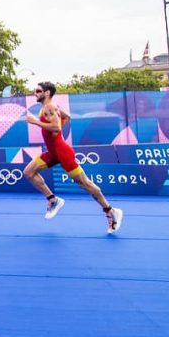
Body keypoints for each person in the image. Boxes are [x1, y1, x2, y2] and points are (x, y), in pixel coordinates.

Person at [23, 81, 123, 234]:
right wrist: (55, 132)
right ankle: (53, 200)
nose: (34, 93)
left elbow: (56, 127)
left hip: (62, 152)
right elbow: (67, 117)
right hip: (52, 152)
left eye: (38, 90)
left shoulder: (49, 107)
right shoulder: (50, 107)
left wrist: (35, 122)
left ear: (47, 93)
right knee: (29, 172)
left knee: (84, 183)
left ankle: (110, 211)